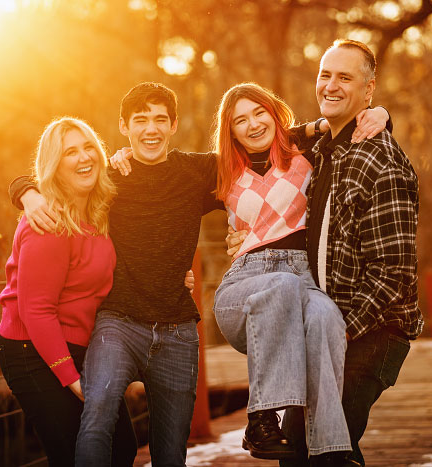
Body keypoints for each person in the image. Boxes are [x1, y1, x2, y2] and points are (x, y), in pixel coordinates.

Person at [108, 84, 390, 463]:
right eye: (240, 120)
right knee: (281, 285)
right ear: (230, 130)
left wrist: (383, 115)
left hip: (303, 281)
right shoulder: (220, 169)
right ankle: (261, 417)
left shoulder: (309, 155)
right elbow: (157, 181)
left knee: (325, 316)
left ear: (275, 115)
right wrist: (122, 156)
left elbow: (353, 133)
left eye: (259, 114)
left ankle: (332, 449)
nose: (252, 124)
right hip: (247, 284)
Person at [227, 40, 422, 467]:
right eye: (325, 75)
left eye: (345, 78)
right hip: (322, 322)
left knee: (320, 449)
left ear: (369, 90)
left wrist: (338, 331)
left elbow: (394, 274)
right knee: (305, 451)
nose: (330, 85)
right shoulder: (319, 151)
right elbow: (270, 139)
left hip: (370, 330)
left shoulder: (380, 160)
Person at [9, 82, 221, 467]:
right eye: (141, 120)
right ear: (124, 126)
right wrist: (25, 192)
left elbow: (256, 155)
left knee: (147, 450)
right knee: (87, 433)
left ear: (174, 124)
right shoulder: (77, 201)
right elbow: (35, 308)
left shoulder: (172, 177)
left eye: (160, 120)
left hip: (157, 332)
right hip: (84, 334)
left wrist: (322, 128)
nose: (151, 129)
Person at [0, 117, 137, 467]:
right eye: (69, 152)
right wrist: (71, 379)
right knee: (76, 456)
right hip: (32, 350)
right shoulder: (49, 222)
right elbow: (37, 311)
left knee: (121, 449)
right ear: (55, 166)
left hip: (82, 346)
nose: (83, 157)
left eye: (89, 147)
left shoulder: (99, 210)